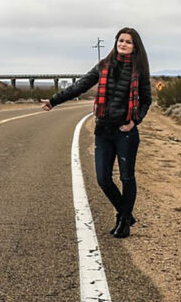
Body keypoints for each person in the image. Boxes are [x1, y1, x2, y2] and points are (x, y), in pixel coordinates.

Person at [41, 27, 152, 238]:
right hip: (103, 130)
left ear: (135, 46)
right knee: (103, 179)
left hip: (125, 132)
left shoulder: (140, 71)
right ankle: (126, 213)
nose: (123, 44)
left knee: (127, 178)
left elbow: (146, 100)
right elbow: (80, 86)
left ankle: (123, 221)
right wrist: (54, 101)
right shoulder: (104, 65)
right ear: (116, 42)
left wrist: (134, 122)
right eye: (121, 41)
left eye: (128, 42)